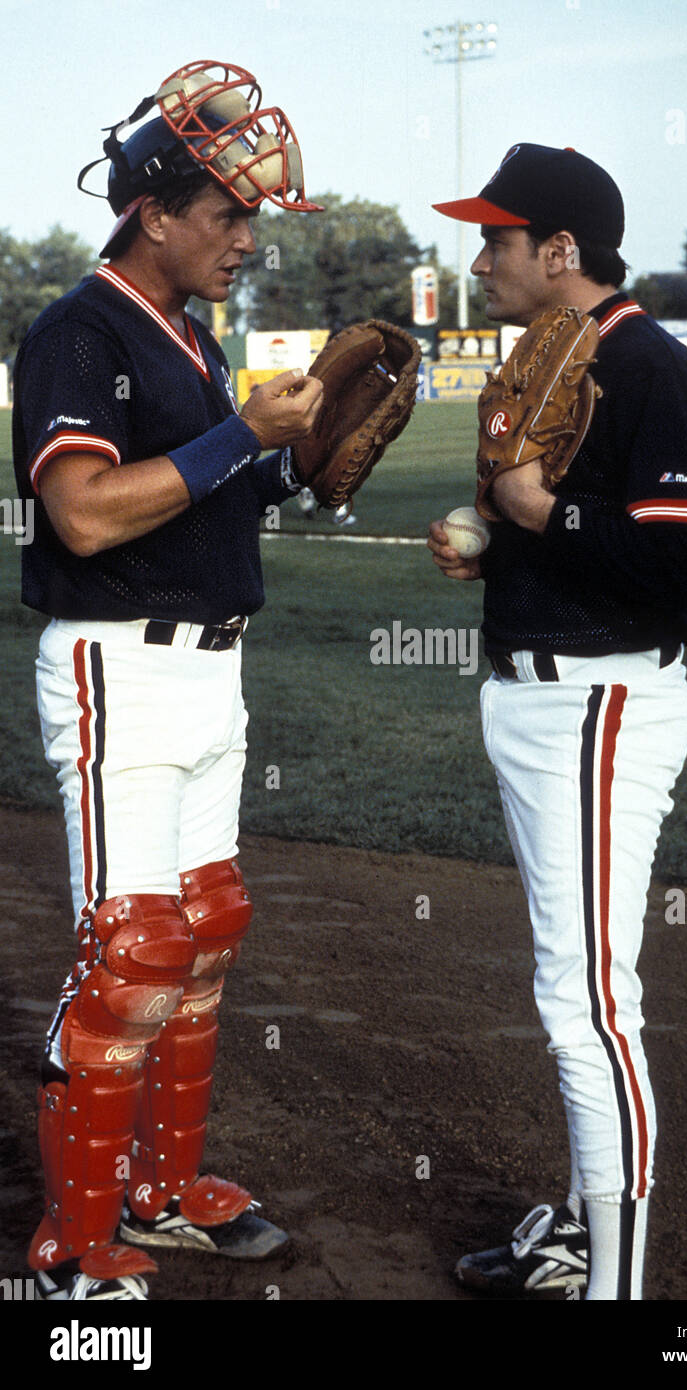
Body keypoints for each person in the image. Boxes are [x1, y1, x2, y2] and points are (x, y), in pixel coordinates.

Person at [13, 61, 324, 1301]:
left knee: (203, 933)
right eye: (226, 215)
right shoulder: (76, 332)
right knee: (130, 951)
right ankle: (71, 1253)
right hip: (116, 670)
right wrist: (238, 435)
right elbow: (84, 514)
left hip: (210, 674)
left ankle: (158, 1189)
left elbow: (222, 497)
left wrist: (302, 454)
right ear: (153, 212)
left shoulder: (192, 340)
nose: (244, 240)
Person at [428, 144, 687, 1301]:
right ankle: (572, 1237)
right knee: (576, 987)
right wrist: (496, 536)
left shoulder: (651, 369)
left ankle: (615, 1286)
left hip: (601, 705)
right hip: (540, 697)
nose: (480, 257)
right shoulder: (550, 355)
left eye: (497, 239)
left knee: (587, 1000)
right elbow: (561, 524)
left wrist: (539, 518)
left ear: (561, 252)